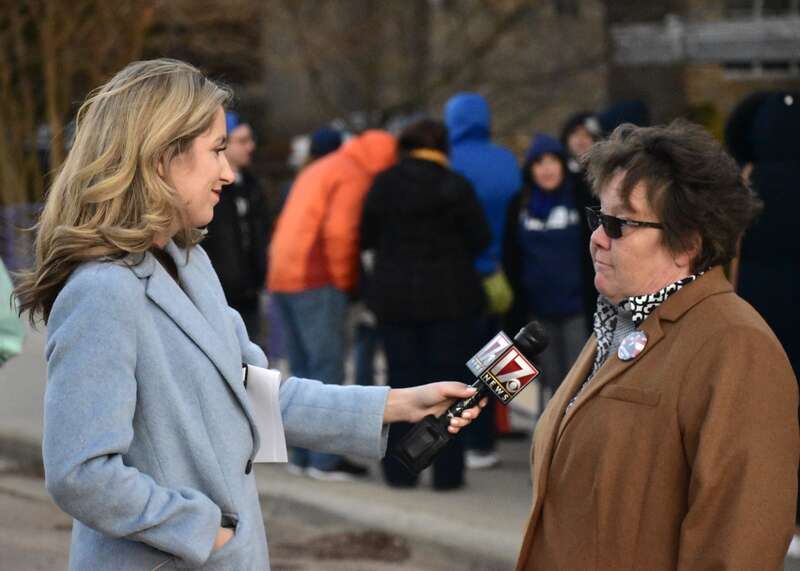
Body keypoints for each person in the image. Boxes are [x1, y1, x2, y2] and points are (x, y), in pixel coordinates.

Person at [13, 59, 485, 571]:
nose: (229, 171)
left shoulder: (188, 263)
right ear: (159, 157)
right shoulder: (102, 290)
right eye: (216, 150)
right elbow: (79, 472)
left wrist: (396, 405)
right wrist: (201, 529)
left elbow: (258, 399)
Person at [515, 120, 798, 570]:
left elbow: (736, 546)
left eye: (618, 224)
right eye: (596, 217)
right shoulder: (619, 319)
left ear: (686, 243)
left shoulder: (736, 347)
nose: (597, 238)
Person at [361, 119, 491, 490]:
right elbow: (480, 238)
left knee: (401, 383)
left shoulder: (384, 184)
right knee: (450, 388)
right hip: (450, 300)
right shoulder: (456, 185)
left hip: (397, 298)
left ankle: (400, 471)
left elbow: (366, 235)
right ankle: (447, 473)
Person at [267, 128, 396, 479]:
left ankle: (300, 456)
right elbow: (340, 233)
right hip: (315, 277)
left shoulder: (321, 167)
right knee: (326, 370)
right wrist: (345, 282)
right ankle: (325, 461)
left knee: (300, 368)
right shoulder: (352, 175)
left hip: (283, 274)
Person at [444, 92, 522, 469]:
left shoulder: (449, 162)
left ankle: (465, 436)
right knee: (501, 354)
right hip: (502, 273)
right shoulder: (506, 160)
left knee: (461, 359)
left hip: (460, 276)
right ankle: (490, 436)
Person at [504, 134, 587, 408]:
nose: (547, 168)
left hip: (577, 307)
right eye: (539, 162)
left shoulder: (580, 198)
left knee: (579, 383)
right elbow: (511, 258)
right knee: (552, 385)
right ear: (530, 168)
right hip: (537, 312)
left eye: (553, 160)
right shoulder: (520, 204)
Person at [202, 112, 270, 342]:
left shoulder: (252, 185)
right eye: (242, 141)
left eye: (251, 140)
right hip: (219, 295)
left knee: (253, 365)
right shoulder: (206, 192)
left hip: (250, 291)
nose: (250, 146)